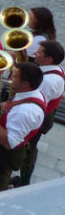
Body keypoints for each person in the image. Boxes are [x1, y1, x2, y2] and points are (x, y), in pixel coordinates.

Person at [0, 62, 46, 195]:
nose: (9, 79)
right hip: (1, 150)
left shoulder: (24, 111)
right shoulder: (32, 94)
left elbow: (9, 143)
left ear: (25, 84)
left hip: (0, 155)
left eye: (14, 77)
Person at [13, 40, 65, 188]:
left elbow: (33, 101)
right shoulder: (56, 70)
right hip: (46, 113)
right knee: (30, 148)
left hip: (41, 118)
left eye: (40, 52)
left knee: (29, 149)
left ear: (49, 59)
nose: (35, 52)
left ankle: (23, 182)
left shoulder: (46, 81)